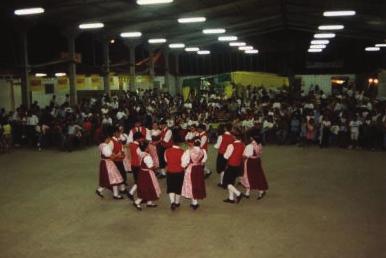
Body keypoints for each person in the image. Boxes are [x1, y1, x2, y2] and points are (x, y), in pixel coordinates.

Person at [95, 127, 124, 200]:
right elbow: (111, 157)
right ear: (106, 139)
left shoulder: (101, 145)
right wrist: (118, 155)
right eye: (108, 139)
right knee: (114, 178)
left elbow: (109, 154)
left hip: (104, 162)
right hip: (108, 164)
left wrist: (115, 155)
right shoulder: (106, 146)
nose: (109, 140)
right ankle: (115, 195)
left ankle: (100, 190)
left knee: (108, 178)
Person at [132, 141, 161, 211]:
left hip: (142, 172)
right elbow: (150, 166)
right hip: (147, 174)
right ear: (146, 148)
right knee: (147, 188)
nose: (149, 148)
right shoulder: (147, 156)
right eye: (148, 147)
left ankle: (149, 202)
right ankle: (137, 202)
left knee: (148, 187)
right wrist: (155, 168)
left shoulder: (141, 154)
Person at [240, 130, 268, 200]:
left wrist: (241, 158)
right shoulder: (259, 144)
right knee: (258, 175)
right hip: (257, 160)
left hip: (250, 162)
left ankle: (249, 192)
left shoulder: (250, 146)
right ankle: (258, 191)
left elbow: (246, 155)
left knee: (248, 176)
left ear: (252, 138)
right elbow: (260, 153)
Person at [181, 138, 207, 210]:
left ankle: (194, 202)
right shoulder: (203, 151)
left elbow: (184, 162)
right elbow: (204, 160)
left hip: (191, 169)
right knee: (197, 183)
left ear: (193, 143)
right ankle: (194, 202)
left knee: (191, 184)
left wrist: (184, 166)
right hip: (199, 168)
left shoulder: (188, 151)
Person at [222, 128, 245, 204]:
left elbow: (226, 156)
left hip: (231, 165)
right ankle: (231, 198)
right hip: (238, 165)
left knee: (226, 182)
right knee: (231, 182)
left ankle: (238, 193)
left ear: (234, 136)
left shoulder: (231, 145)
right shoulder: (243, 144)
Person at [164, 143, 185, 210]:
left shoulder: (167, 151)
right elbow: (184, 163)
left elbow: (166, 160)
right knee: (178, 187)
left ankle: (172, 202)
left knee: (171, 187)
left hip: (170, 171)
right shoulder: (182, 152)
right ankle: (177, 202)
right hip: (179, 172)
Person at [127, 132, 143, 200]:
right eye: (141, 138)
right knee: (139, 181)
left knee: (138, 180)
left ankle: (133, 193)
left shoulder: (131, 145)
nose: (142, 139)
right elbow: (141, 155)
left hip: (133, 164)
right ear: (138, 139)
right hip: (137, 165)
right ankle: (131, 193)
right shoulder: (137, 147)